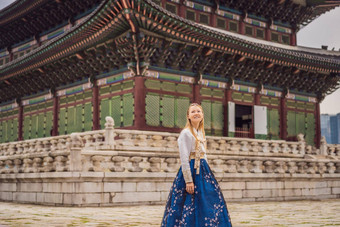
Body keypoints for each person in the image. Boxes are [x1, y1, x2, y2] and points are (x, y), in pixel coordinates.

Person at [161, 103, 232, 227]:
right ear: (188, 116)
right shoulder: (186, 133)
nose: (196, 113)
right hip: (191, 171)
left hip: (203, 171)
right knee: (188, 204)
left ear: (202, 115)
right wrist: (188, 180)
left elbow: (204, 156)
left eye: (198, 111)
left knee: (209, 201)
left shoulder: (201, 133)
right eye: (193, 111)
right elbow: (184, 158)